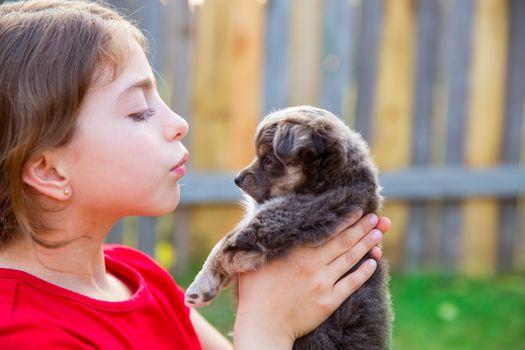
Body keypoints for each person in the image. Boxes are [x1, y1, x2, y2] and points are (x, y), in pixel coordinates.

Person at [0, 1, 391, 349]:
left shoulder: (140, 277)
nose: (179, 123)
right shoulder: (24, 333)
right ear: (49, 171)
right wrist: (266, 329)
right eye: (138, 111)